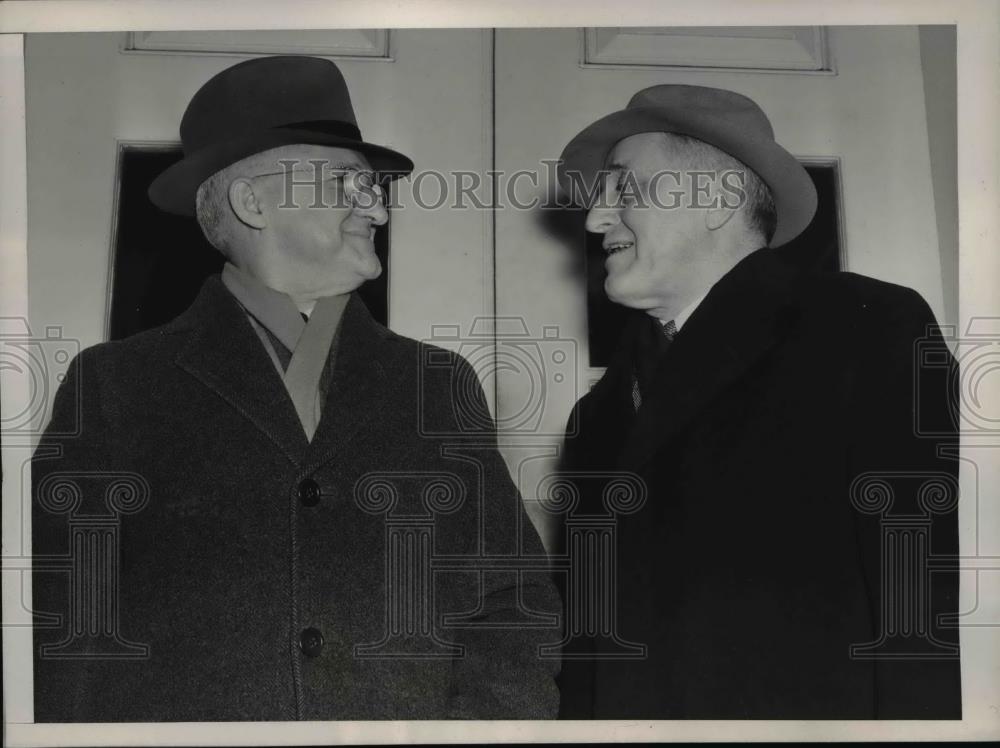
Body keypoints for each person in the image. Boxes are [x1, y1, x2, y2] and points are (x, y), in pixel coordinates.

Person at [32, 55, 559, 721]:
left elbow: (512, 605)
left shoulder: (438, 385)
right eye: (349, 183)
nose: (380, 210)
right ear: (253, 203)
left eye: (376, 189)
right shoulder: (114, 387)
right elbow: (62, 630)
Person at [554, 84, 960, 719]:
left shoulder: (864, 329)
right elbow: (586, 653)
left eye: (621, 189)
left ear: (715, 201)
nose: (595, 219)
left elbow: (917, 608)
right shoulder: (596, 417)